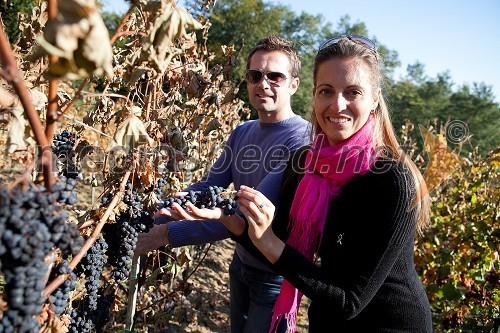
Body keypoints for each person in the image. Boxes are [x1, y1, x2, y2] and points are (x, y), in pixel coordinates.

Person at [192, 35, 433, 332]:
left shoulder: (392, 181)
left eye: (353, 92)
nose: (337, 104)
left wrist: (267, 241)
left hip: (388, 324)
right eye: (326, 91)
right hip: (326, 319)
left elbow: (350, 300)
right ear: (314, 96)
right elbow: (276, 248)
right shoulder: (305, 161)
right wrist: (235, 223)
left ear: (374, 100)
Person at [135, 36, 311, 333]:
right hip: (241, 263)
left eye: (275, 76)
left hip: (275, 276)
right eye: (255, 75)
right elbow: (211, 187)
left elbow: (244, 213)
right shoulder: (243, 131)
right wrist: (158, 211)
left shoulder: (301, 142)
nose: (263, 84)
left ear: (293, 84)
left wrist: (164, 234)